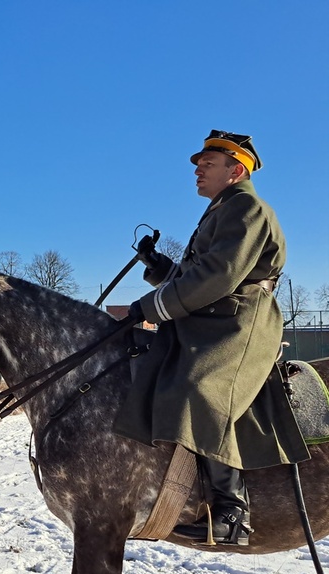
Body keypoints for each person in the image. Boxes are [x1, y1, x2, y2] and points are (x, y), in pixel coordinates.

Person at [114, 130, 309, 545]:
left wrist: (152, 306)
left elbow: (219, 276)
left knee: (199, 386)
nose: (198, 170)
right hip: (210, 318)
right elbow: (194, 276)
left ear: (236, 170)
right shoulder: (223, 208)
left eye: (208, 164)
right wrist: (157, 266)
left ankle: (231, 512)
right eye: (199, 165)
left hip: (239, 322)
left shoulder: (247, 208)